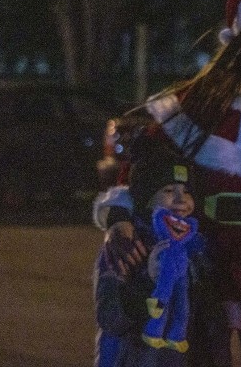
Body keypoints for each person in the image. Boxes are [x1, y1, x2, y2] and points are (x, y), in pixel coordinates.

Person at [95, 0, 241, 367]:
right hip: (206, 257)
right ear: (236, 40)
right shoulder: (202, 100)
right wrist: (120, 216)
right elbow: (144, 159)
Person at [93, 131, 227, 367]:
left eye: (186, 191)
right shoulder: (129, 244)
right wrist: (151, 284)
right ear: (145, 198)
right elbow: (110, 316)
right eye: (167, 191)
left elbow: (209, 322)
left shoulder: (196, 246)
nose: (180, 199)